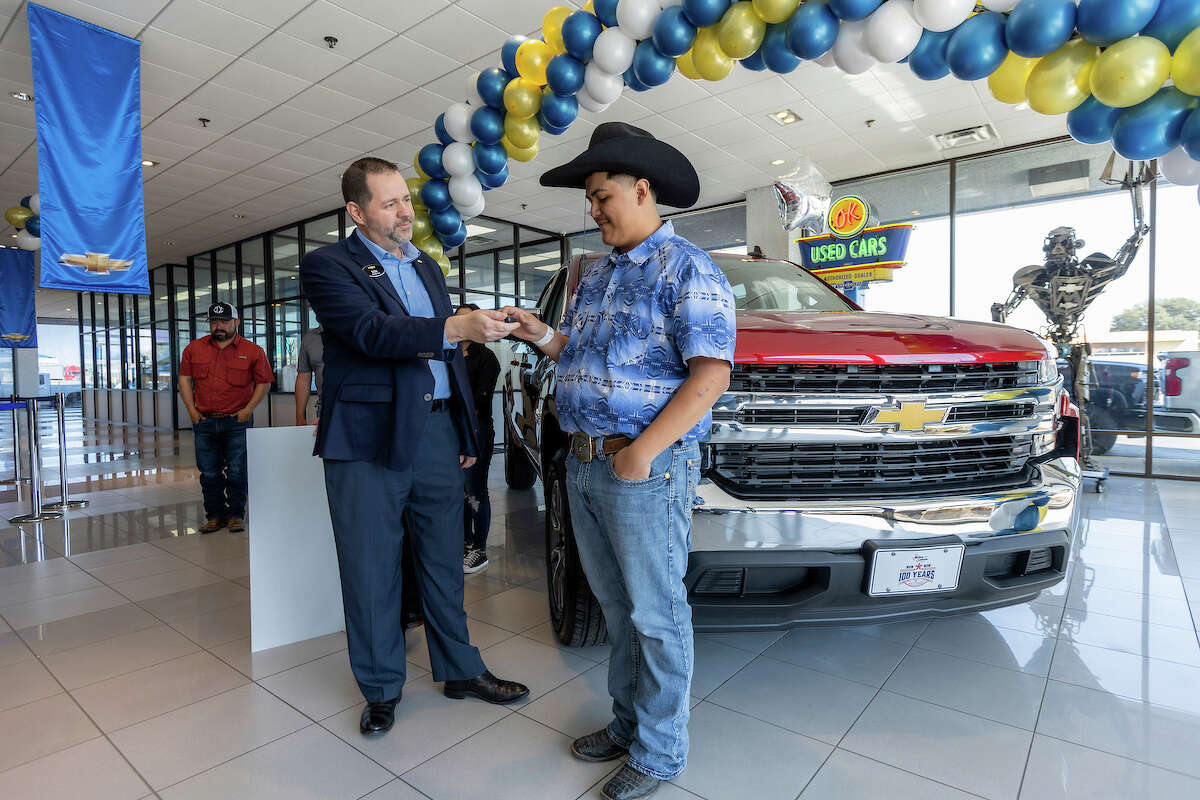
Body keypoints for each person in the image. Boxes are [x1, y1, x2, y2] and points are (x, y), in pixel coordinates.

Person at [503, 122, 736, 800]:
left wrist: (643, 452)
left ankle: (660, 754)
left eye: (602, 196)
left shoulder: (690, 268)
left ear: (641, 189)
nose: (595, 210)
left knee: (657, 614)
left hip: (642, 469)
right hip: (581, 465)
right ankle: (628, 723)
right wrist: (540, 331)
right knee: (615, 605)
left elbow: (710, 376)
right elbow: (581, 354)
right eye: (591, 199)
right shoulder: (599, 274)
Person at [299, 156, 528, 738]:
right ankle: (380, 689)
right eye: (391, 202)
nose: (407, 212)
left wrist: (466, 432)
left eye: (407, 200)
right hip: (367, 436)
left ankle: (459, 670)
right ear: (357, 211)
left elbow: (447, 362)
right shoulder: (328, 265)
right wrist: (455, 326)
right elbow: (370, 334)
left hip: (436, 431)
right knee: (371, 566)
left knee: (442, 558)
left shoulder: (425, 264)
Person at [177, 302, 273, 534]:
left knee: (238, 471)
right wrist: (191, 410)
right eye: (213, 321)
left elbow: (264, 383)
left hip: (237, 422)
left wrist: (248, 409)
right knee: (208, 472)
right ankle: (214, 516)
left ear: (236, 323)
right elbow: (184, 380)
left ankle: (236, 515)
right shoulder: (194, 349)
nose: (218, 326)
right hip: (204, 421)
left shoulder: (253, 351)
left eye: (224, 321)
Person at [455, 303, 502, 574]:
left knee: (475, 491)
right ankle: (461, 544)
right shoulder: (448, 354)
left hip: (476, 431)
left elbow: (478, 401)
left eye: (468, 319)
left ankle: (478, 549)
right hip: (450, 431)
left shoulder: (485, 358)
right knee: (457, 492)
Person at [294, 325, 323, 426]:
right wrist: (300, 416)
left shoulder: (356, 331)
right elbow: (303, 379)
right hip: (324, 409)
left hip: (359, 406)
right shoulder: (310, 338)